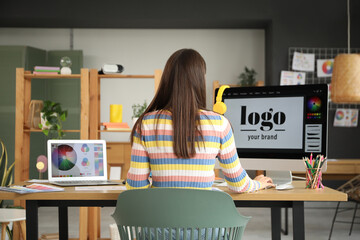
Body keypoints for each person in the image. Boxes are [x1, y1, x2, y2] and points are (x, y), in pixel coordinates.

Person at [126, 48, 273, 192]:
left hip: (159, 216)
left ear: (167, 80)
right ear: (200, 80)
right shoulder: (219, 124)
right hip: (204, 216)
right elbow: (239, 185)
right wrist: (258, 183)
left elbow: (135, 187)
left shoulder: (145, 124)